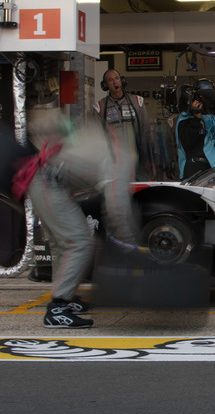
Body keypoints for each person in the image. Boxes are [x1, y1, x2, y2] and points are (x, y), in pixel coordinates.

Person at [1, 121, 141, 328]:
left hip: (41, 179)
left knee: (62, 243)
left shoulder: (104, 140)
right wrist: (131, 245)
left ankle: (69, 297)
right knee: (79, 241)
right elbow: (117, 205)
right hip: (47, 184)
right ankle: (58, 308)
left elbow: (59, 135)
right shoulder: (123, 159)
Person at [93, 69, 154, 181]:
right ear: (105, 85)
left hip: (138, 159)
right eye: (110, 80)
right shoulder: (99, 108)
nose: (115, 82)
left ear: (122, 80)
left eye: (117, 78)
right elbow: (98, 137)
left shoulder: (137, 102)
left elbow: (146, 132)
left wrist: (148, 158)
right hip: (114, 162)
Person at [176, 79, 215, 179]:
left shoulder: (211, 116)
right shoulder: (185, 118)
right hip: (195, 168)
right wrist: (196, 118)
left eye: (209, 97)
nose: (205, 101)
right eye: (202, 97)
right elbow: (188, 142)